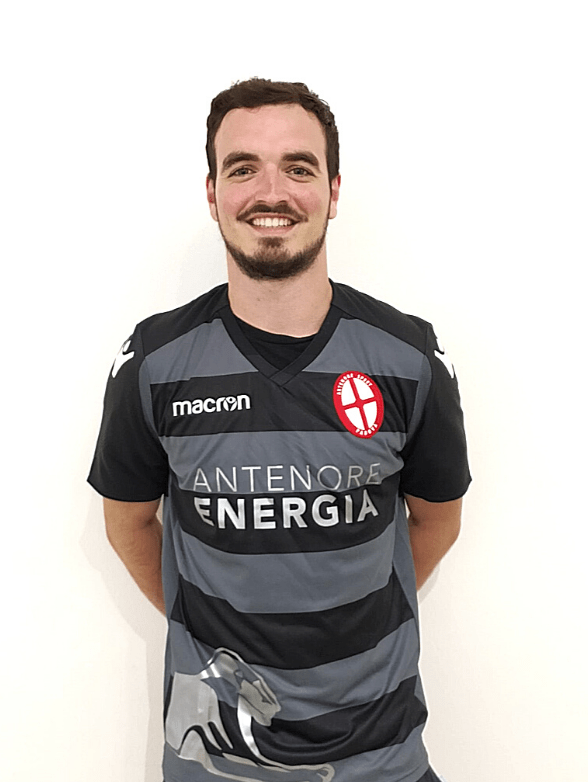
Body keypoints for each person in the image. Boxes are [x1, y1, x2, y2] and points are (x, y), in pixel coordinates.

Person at [88, 78, 470, 782]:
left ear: (332, 191)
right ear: (213, 194)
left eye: (298, 167)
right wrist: (213, 628)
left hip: (381, 759)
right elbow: (128, 524)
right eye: (243, 169)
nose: (272, 192)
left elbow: (438, 520)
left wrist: (348, 623)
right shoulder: (153, 363)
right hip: (216, 767)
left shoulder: (409, 359)